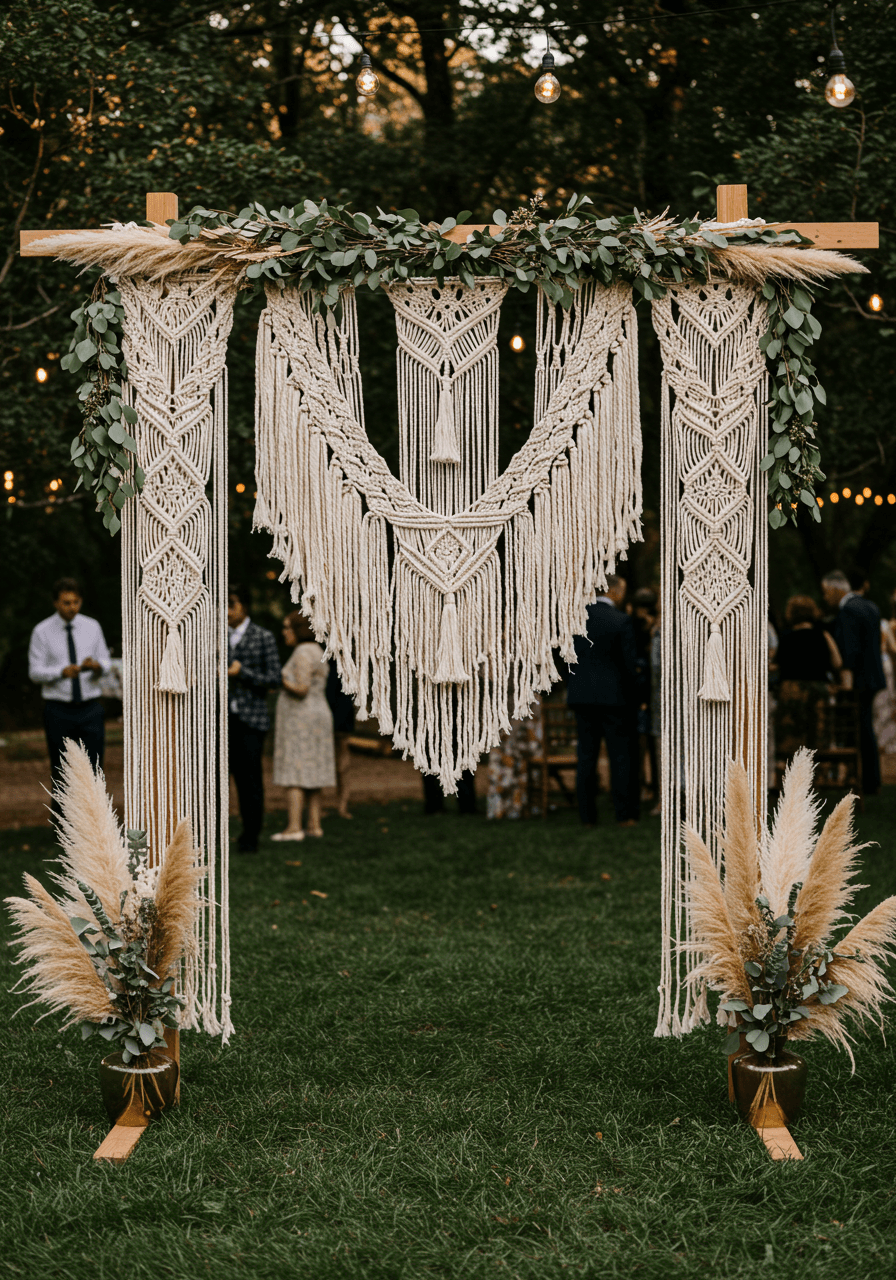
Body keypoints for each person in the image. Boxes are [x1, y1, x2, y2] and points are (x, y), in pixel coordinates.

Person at [28, 577, 112, 803]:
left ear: (81, 601)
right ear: (55, 603)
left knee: (94, 769)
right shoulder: (41, 632)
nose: (72, 607)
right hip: (58, 710)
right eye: (66, 603)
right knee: (61, 769)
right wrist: (60, 672)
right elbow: (35, 672)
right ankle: (63, 826)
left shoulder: (92, 627)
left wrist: (97, 666)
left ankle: (95, 822)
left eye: (75, 602)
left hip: (90, 708)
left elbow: (106, 662)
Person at [566, 574, 639, 826]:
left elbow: (565, 658)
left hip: (581, 697)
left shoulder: (575, 619)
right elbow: (629, 666)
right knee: (620, 756)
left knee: (586, 756)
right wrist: (636, 697)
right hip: (614, 699)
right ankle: (623, 815)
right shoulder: (621, 620)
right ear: (614, 591)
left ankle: (587, 817)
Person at [272, 611, 337, 841]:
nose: (284, 632)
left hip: (302, 718)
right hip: (319, 714)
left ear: (299, 630)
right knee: (313, 771)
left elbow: (301, 688)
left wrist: (278, 679)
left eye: (288, 627)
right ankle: (314, 825)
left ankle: (293, 827)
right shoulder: (318, 651)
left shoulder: (301, 651)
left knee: (296, 770)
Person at [227, 585, 282, 852]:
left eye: (231, 604)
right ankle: (211, 839)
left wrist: (243, 672)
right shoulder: (213, 638)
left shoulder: (263, 637)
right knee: (214, 781)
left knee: (249, 781)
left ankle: (250, 837)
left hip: (251, 721)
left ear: (244, 607)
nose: (224, 611)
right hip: (220, 720)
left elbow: (273, 679)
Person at [822, 569, 886, 794]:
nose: (825, 597)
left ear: (835, 588)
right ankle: (869, 779)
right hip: (874, 676)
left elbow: (849, 649)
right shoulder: (871, 607)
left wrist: (845, 681)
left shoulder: (847, 610)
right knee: (867, 726)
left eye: (826, 592)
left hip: (857, 679)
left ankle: (867, 781)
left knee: (860, 728)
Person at [774, 595, 842, 761]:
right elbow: (838, 662)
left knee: (791, 741)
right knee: (816, 737)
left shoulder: (786, 637)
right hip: (817, 693)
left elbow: (776, 664)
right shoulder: (823, 636)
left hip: (791, 693)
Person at [326, 660, 356, 819]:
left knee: (342, 763)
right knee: (338, 761)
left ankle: (341, 805)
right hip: (332, 710)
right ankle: (337, 805)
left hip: (339, 711)